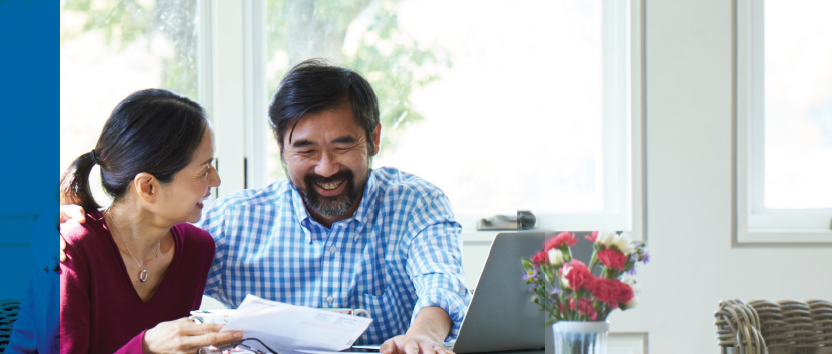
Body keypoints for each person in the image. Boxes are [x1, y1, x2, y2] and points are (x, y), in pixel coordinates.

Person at [58, 60, 471, 354]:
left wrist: (422, 335)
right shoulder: (226, 226)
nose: (326, 167)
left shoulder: (415, 203)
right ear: (281, 149)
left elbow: (441, 281)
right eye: (305, 150)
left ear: (375, 139)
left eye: (343, 145)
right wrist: (71, 219)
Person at [44, 89, 242, 353]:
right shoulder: (67, 251)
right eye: (204, 170)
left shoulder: (198, 248)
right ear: (148, 187)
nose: (216, 181)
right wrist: (147, 347)